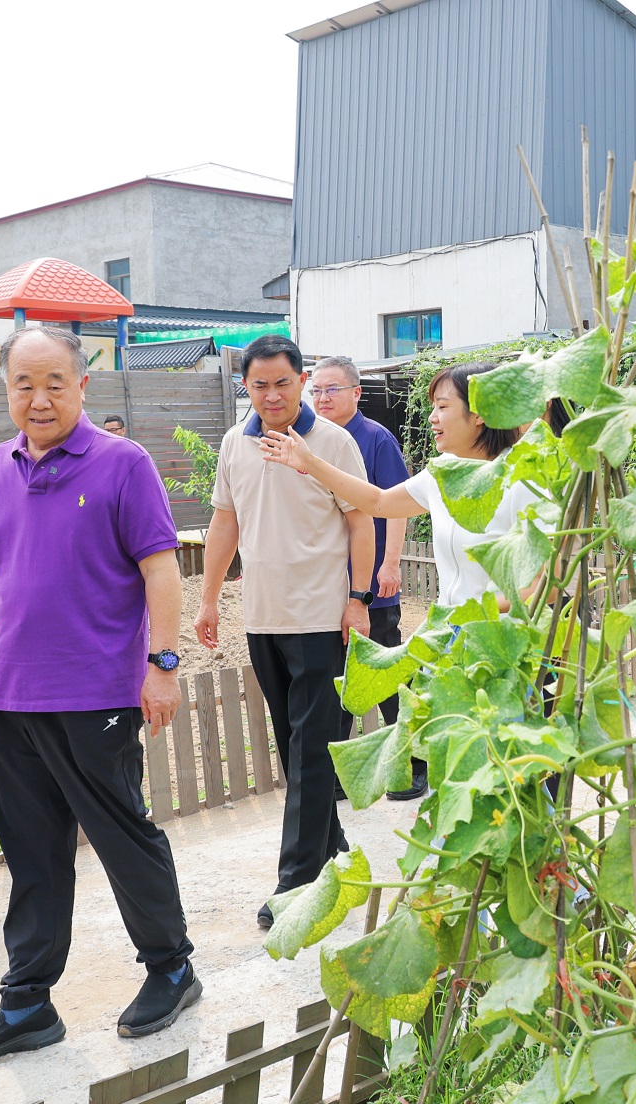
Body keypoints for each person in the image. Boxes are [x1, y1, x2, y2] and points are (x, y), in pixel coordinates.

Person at [0, 327, 199, 1072]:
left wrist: (163, 664)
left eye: (54, 382)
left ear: (83, 385)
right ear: (6, 389)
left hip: (98, 692)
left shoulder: (123, 464)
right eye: (24, 383)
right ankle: (27, 1002)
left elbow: (160, 568)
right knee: (32, 852)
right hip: (11, 694)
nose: (39, 397)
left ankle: (171, 967)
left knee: (121, 834)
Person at [194, 335, 376, 931]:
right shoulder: (232, 442)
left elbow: (361, 520)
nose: (271, 394)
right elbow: (226, 522)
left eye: (282, 382)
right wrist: (209, 599)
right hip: (263, 616)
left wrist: (359, 598)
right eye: (259, 384)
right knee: (294, 744)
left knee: (311, 746)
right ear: (245, 387)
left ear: (302, 382)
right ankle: (337, 853)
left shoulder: (333, 442)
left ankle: (295, 884)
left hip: (322, 616)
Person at [259, 361, 535, 610]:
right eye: (433, 407)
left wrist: (473, 614)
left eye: (443, 406)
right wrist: (310, 462)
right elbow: (379, 503)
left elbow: (545, 584)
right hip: (457, 635)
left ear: (480, 414)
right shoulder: (443, 472)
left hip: (511, 643)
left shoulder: (526, 478)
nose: (432, 417)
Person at [308, 356, 424, 800]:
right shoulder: (308, 440)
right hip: (326, 587)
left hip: (370, 586)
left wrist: (389, 564)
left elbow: (396, 505)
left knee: (390, 678)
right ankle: (338, 775)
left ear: (356, 393)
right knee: (336, 682)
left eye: (332, 389)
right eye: (316, 390)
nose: (322, 398)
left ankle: (412, 766)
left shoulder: (375, 438)